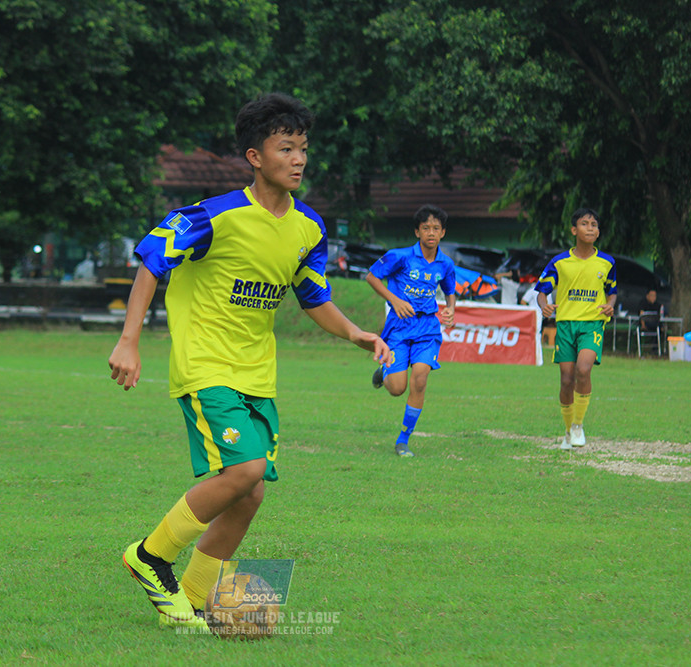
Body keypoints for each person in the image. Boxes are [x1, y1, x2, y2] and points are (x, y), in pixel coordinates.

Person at [107, 93, 390, 631]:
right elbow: (150, 260)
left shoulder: (309, 227)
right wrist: (129, 340)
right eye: (286, 148)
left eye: (303, 148)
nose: (298, 159)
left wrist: (354, 332)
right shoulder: (214, 216)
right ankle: (149, 556)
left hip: (257, 375)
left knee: (250, 492)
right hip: (206, 366)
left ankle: (193, 599)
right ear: (255, 157)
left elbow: (313, 295)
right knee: (246, 470)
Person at [365, 204, 456, 458]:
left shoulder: (446, 264)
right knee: (397, 388)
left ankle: (403, 440)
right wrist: (394, 300)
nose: (431, 232)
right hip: (399, 327)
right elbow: (371, 277)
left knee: (420, 379)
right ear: (417, 232)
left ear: (443, 233)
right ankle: (384, 372)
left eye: (436, 228)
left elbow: (450, 290)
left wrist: (450, 309)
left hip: (427, 329)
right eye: (426, 228)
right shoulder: (400, 256)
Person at [534, 208, 617, 450]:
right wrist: (544, 306)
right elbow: (542, 292)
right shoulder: (559, 262)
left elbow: (612, 292)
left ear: (598, 232)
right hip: (565, 325)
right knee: (566, 379)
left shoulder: (607, 262)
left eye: (594, 225)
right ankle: (568, 431)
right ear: (574, 230)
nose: (590, 228)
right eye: (584, 223)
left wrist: (610, 305)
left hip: (592, 323)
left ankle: (578, 426)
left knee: (583, 369)